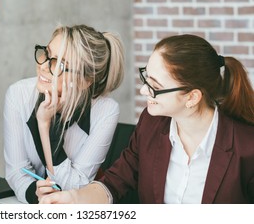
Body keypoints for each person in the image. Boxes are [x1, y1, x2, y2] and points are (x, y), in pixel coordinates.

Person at [40, 34, 254, 204]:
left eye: (155, 86)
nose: (144, 90)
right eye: (146, 77)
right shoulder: (151, 125)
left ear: (192, 97)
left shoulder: (246, 147)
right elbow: (115, 182)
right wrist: (74, 199)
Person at [4, 24, 125, 203]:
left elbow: (78, 186)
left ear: (85, 80)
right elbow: (16, 171)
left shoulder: (106, 110)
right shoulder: (18, 95)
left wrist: (46, 126)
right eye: (46, 53)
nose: (44, 66)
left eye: (59, 64)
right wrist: (36, 195)